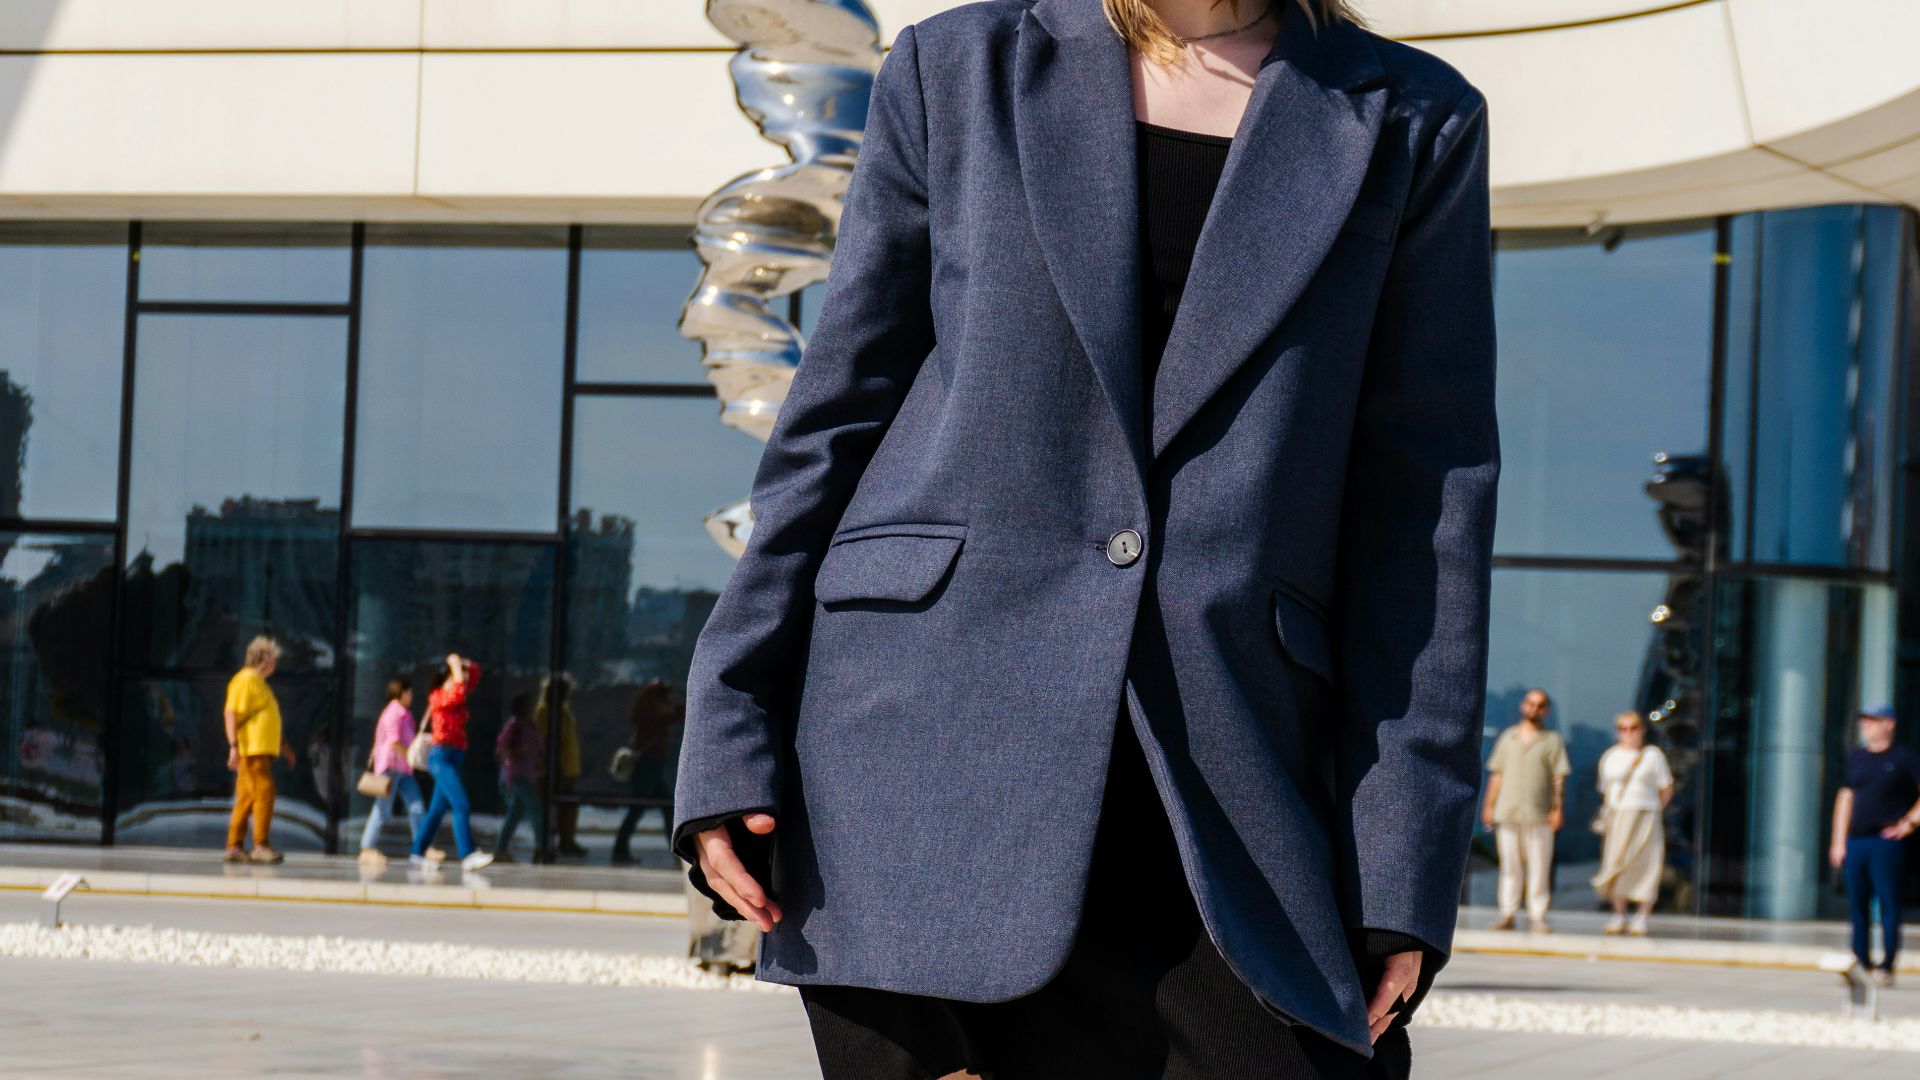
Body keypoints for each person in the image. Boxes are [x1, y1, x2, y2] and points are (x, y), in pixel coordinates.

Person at [670, 0, 1498, 1076]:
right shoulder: (959, 68)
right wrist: (729, 723)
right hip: (918, 768)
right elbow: (835, 412)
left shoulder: (1411, 118)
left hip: (1240, 783)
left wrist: (1400, 864)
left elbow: (1425, 505)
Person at [1828, 703, 1920, 987]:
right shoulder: (1856, 758)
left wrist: (1909, 823)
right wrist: (1838, 841)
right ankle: (1861, 962)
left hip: (1886, 842)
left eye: (1872, 720)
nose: (1865, 725)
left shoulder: (1904, 757)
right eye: (1864, 720)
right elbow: (1845, 799)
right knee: (1857, 905)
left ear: (1888, 724)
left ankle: (1886, 965)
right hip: (1857, 840)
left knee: (1888, 903)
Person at [1482, 689, 1569, 932]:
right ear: (1523, 706)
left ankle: (1537, 916)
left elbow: (1558, 778)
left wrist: (1557, 809)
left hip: (1540, 814)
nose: (1534, 708)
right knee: (1510, 866)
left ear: (1546, 710)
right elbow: (1496, 774)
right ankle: (1507, 914)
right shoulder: (1508, 737)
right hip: (1508, 811)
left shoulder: (1552, 740)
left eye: (1540, 705)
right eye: (1530, 703)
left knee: (1539, 867)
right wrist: (1488, 805)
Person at [408, 653, 494, 874]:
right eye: (455, 678)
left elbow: (475, 675)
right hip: (440, 757)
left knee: (436, 810)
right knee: (461, 804)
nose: (460, 682)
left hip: (455, 756)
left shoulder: (458, 691)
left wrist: (462, 663)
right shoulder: (437, 696)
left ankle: (416, 853)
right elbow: (456, 693)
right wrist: (455, 668)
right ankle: (468, 855)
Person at [1590, 710, 1673, 937]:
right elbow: (1605, 789)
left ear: (1642, 730)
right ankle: (1619, 915)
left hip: (1647, 813)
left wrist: (1655, 809)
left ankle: (1641, 917)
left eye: (1633, 727)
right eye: (1623, 728)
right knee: (1616, 862)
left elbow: (1666, 788)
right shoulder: (1610, 756)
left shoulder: (1653, 755)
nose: (1628, 733)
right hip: (1619, 814)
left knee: (1647, 863)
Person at [224, 635, 294, 864]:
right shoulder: (246, 679)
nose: (275, 663)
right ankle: (260, 845)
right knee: (265, 792)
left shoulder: (258, 683)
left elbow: (266, 719)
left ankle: (234, 846)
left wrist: (283, 747)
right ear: (263, 659)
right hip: (251, 750)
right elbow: (231, 712)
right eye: (273, 658)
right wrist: (233, 746)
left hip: (259, 750)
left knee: (245, 798)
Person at [358, 678, 434, 868]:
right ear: (401, 692)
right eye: (409, 692)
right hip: (390, 768)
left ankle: (421, 845)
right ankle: (367, 849)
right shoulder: (394, 713)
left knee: (416, 805)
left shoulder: (405, 714)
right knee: (382, 809)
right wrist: (411, 756)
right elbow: (393, 741)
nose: (411, 695)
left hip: (403, 769)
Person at [612, 678, 683, 866]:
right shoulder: (651, 709)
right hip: (648, 765)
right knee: (638, 808)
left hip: (652, 765)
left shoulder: (647, 707)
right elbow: (673, 716)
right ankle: (620, 850)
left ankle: (677, 853)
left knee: (665, 807)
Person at [535, 674, 586, 857]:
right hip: (556, 769)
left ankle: (567, 840)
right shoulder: (545, 711)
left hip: (569, 767)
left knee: (569, 808)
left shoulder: (564, 711)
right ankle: (546, 843)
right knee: (550, 808)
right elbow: (546, 741)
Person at [495, 690, 545, 862]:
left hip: (529, 772)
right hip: (516, 774)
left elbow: (538, 748)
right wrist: (517, 752)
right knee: (536, 808)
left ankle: (501, 847)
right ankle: (541, 845)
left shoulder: (531, 725)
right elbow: (502, 749)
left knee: (516, 812)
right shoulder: (514, 726)